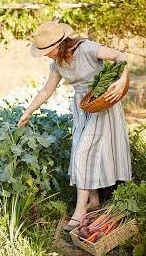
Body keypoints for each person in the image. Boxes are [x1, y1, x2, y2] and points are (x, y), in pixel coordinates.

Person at [18, 21, 132, 231]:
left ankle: (79, 212)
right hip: (82, 108)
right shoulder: (57, 63)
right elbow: (46, 91)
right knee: (84, 151)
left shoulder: (87, 48)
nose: (44, 54)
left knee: (83, 154)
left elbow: (119, 55)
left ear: (59, 44)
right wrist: (28, 112)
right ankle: (94, 199)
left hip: (102, 103)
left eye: (46, 50)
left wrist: (122, 79)